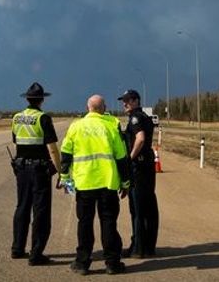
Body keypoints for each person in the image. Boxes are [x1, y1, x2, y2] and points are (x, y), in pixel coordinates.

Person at [59, 95, 131, 276]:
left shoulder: (76, 126)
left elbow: (66, 155)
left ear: (88, 107)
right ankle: (112, 264)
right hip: (108, 183)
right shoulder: (110, 126)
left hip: (84, 184)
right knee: (108, 223)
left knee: (84, 223)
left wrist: (65, 178)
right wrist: (126, 182)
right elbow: (121, 157)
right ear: (103, 108)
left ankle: (82, 263)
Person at [10, 81, 62, 266]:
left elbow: (16, 143)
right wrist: (60, 171)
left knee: (22, 207)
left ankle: (17, 248)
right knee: (40, 211)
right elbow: (52, 149)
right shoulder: (43, 118)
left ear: (27, 99)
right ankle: (36, 253)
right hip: (39, 171)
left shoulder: (16, 118)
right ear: (41, 100)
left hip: (22, 168)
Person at [118, 89, 159, 258]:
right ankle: (147, 246)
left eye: (128, 100)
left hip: (139, 167)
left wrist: (130, 157)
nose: (124, 103)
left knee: (138, 208)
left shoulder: (135, 118)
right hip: (147, 165)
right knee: (148, 206)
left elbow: (140, 138)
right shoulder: (144, 116)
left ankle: (138, 248)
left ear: (136, 101)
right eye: (124, 101)